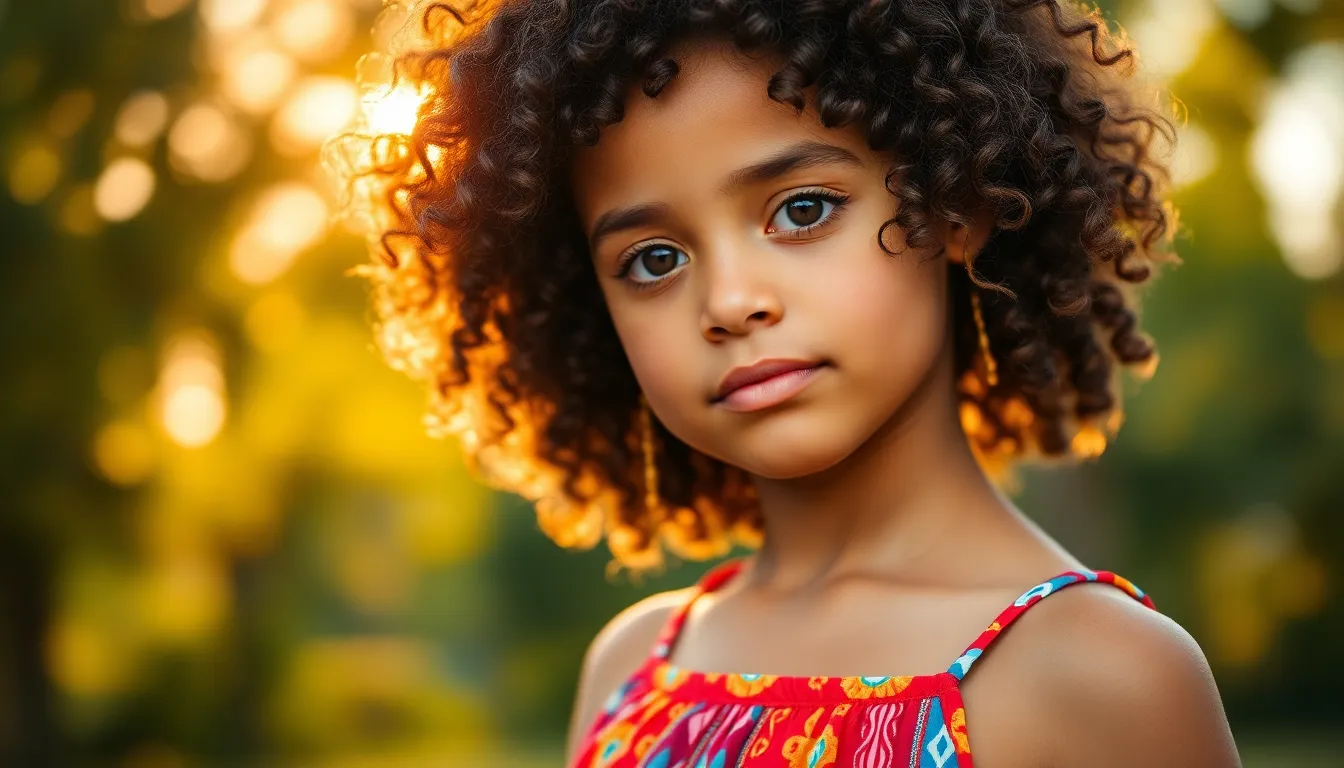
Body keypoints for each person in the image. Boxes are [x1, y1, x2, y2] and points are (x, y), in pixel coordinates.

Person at [346, 0, 1241, 765]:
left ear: (956, 204)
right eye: (654, 259)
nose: (730, 302)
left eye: (802, 210)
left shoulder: (1102, 675)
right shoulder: (632, 670)